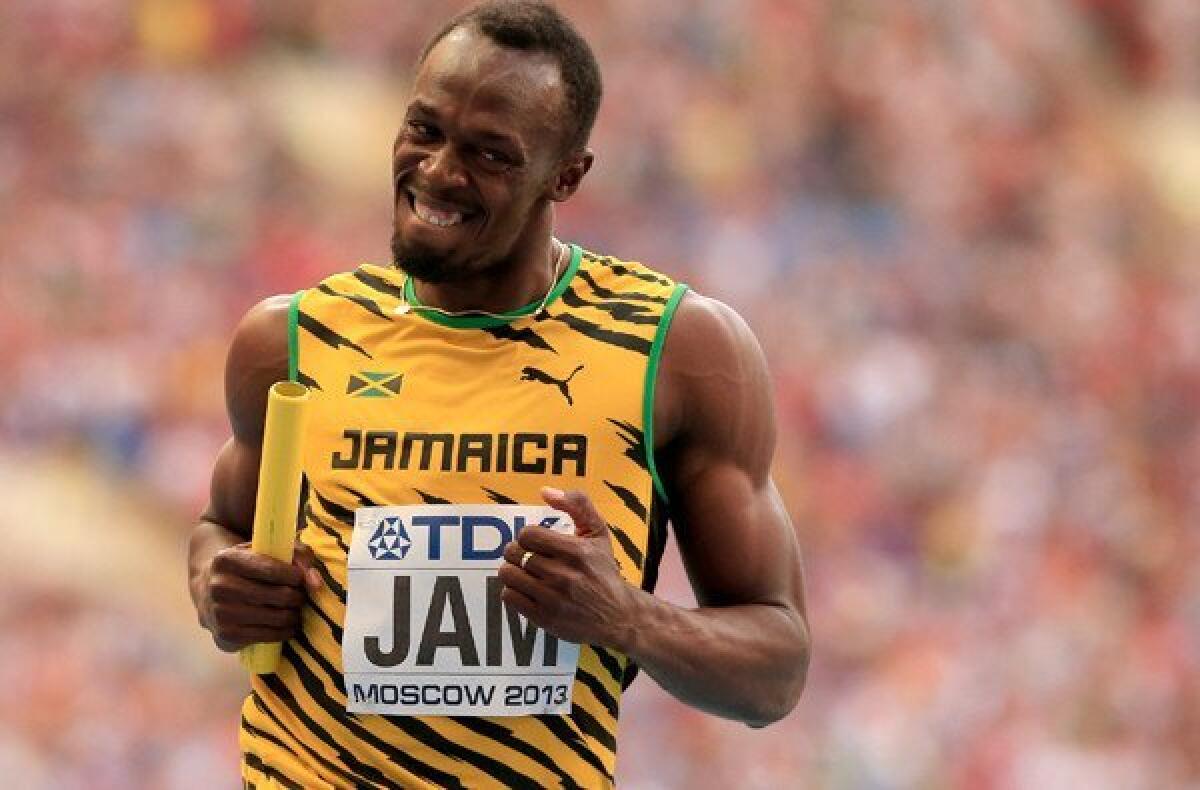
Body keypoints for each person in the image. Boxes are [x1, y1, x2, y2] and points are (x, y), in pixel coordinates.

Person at [187, 2, 810, 786]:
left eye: (490, 154)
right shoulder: (291, 340)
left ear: (567, 175)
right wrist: (219, 586)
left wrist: (626, 618)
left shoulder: (678, 353)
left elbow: (777, 669)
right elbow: (219, 530)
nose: (440, 171)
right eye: (424, 129)